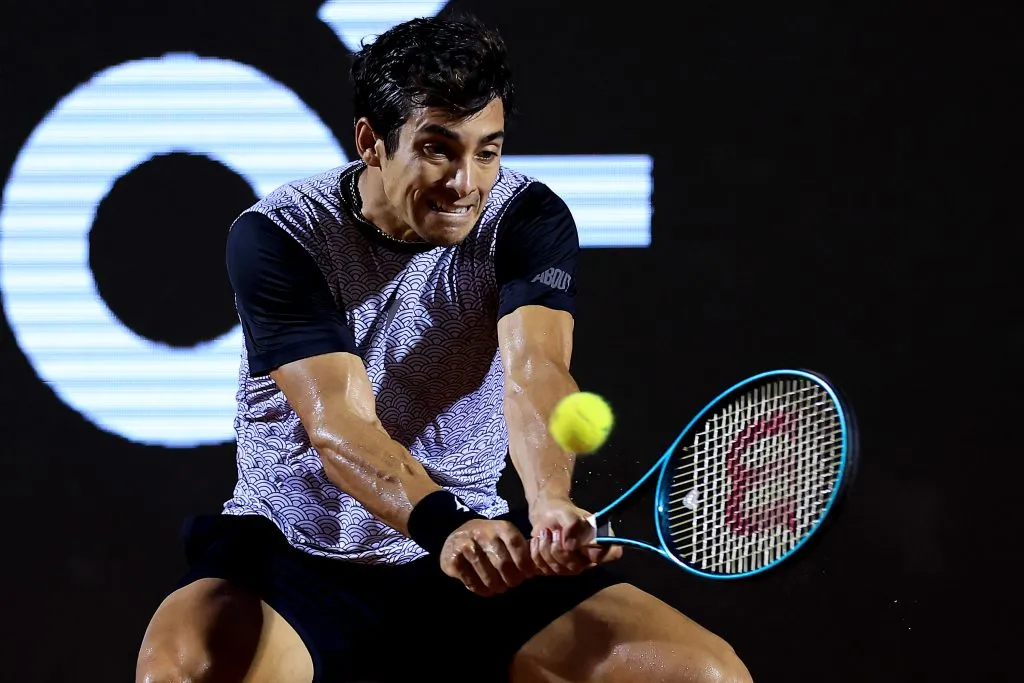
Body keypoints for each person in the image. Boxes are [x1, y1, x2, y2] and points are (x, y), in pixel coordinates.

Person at [135, 13, 753, 683]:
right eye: (438, 149)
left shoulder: (526, 218)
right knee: (182, 670)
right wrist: (443, 524)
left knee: (703, 673)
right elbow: (338, 427)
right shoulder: (281, 235)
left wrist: (548, 500)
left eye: (487, 152)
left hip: (475, 554)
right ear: (371, 143)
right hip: (298, 555)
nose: (466, 182)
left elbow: (535, 371)